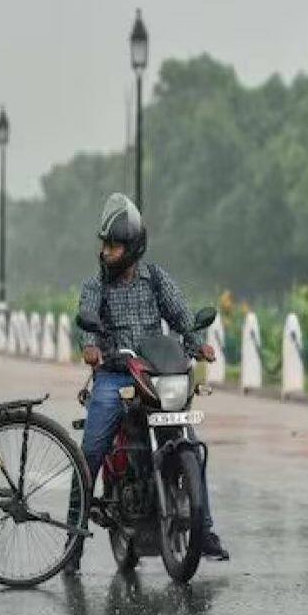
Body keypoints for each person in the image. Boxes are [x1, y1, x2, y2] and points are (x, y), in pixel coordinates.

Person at [65, 192, 230, 575]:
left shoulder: (155, 279)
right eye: (104, 245)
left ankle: (203, 531)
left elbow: (183, 316)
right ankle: (72, 539)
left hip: (157, 375)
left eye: (114, 245)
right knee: (89, 454)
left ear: (133, 247)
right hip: (115, 376)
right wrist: (90, 346)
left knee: (189, 442)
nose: (106, 252)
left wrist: (196, 344)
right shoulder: (96, 286)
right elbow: (86, 317)